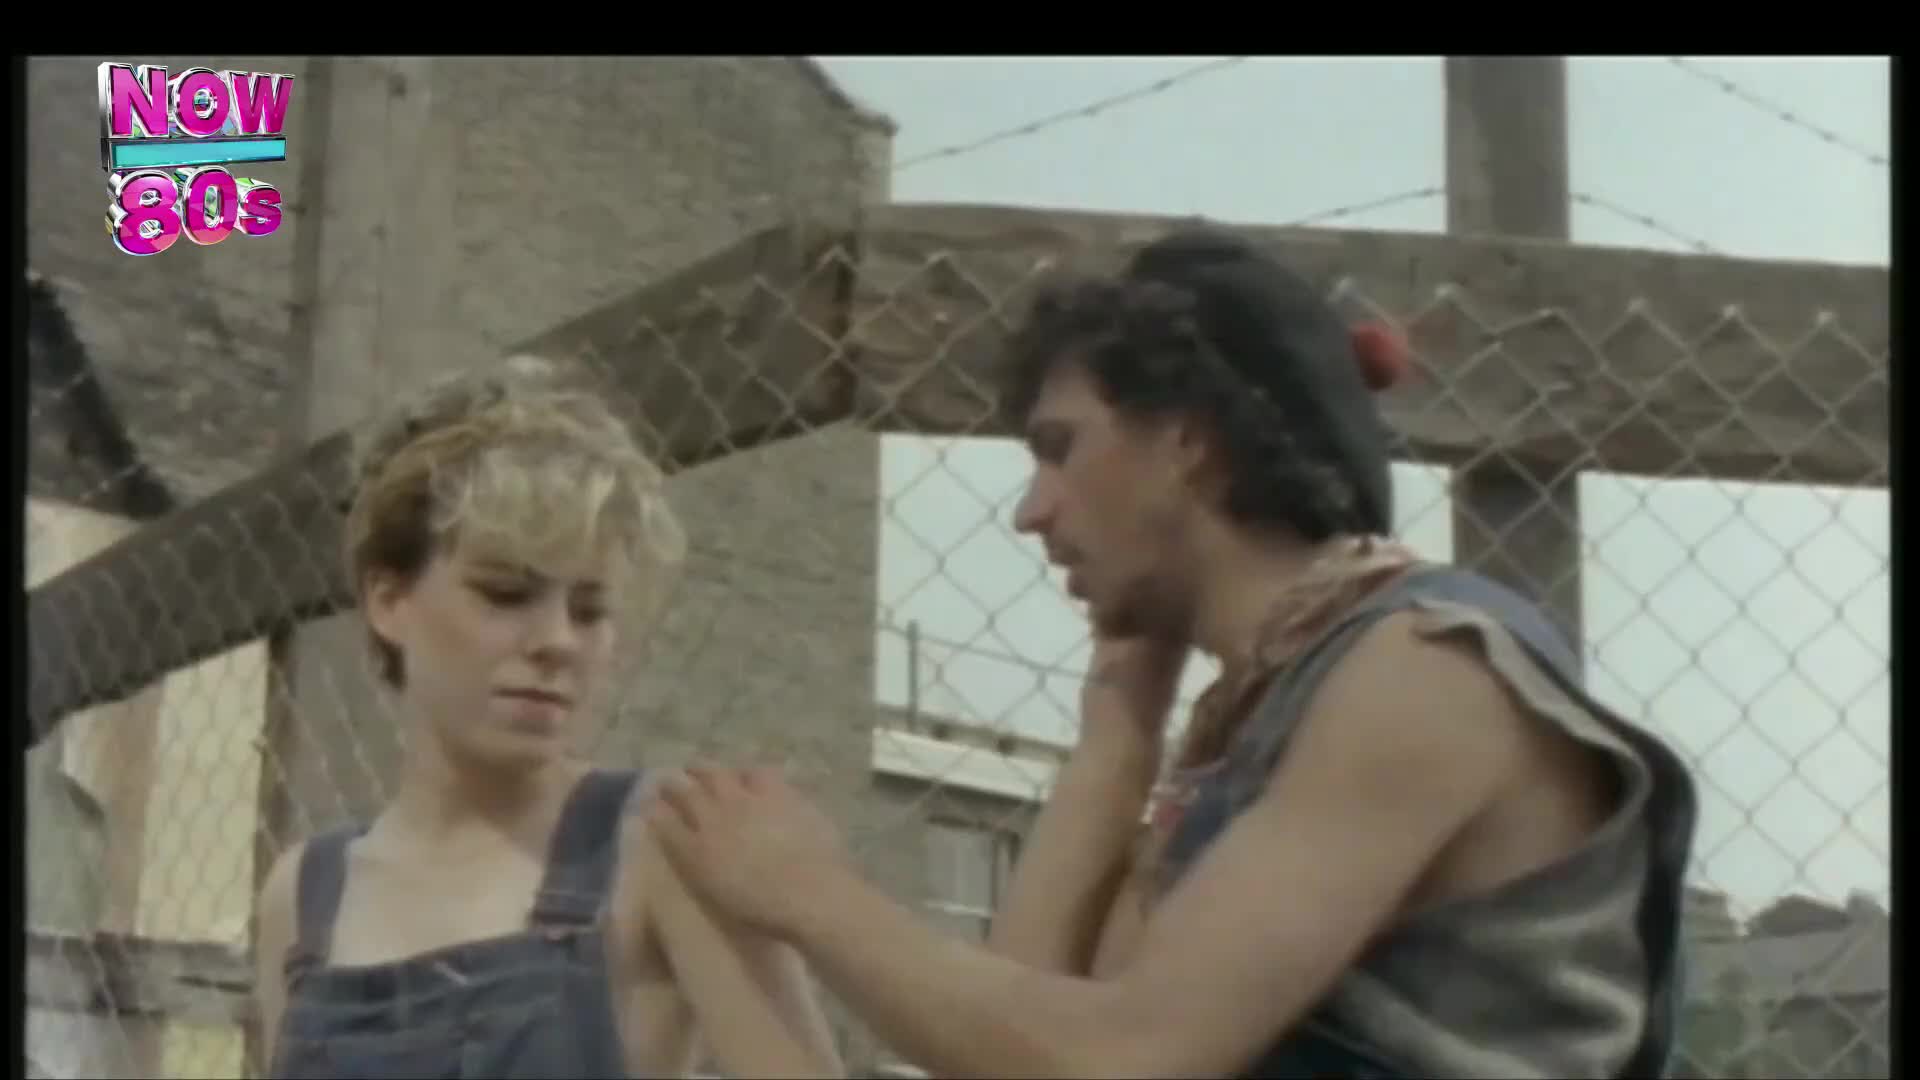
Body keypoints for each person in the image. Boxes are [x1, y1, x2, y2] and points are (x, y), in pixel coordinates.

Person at [647, 229, 1701, 1079]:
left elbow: (1126, 1057)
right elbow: (1015, 1058)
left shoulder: (1424, 671)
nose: (1031, 510)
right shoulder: (1260, 717)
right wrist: (1115, 744)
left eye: (1061, 448)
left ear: (1188, 441)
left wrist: (808, 893)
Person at [252, 358, 843, 1079]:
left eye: (589, 610)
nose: (559, 641)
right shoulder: (304, 896)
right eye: (505, 594)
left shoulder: (666, 846)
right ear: (389, 600)